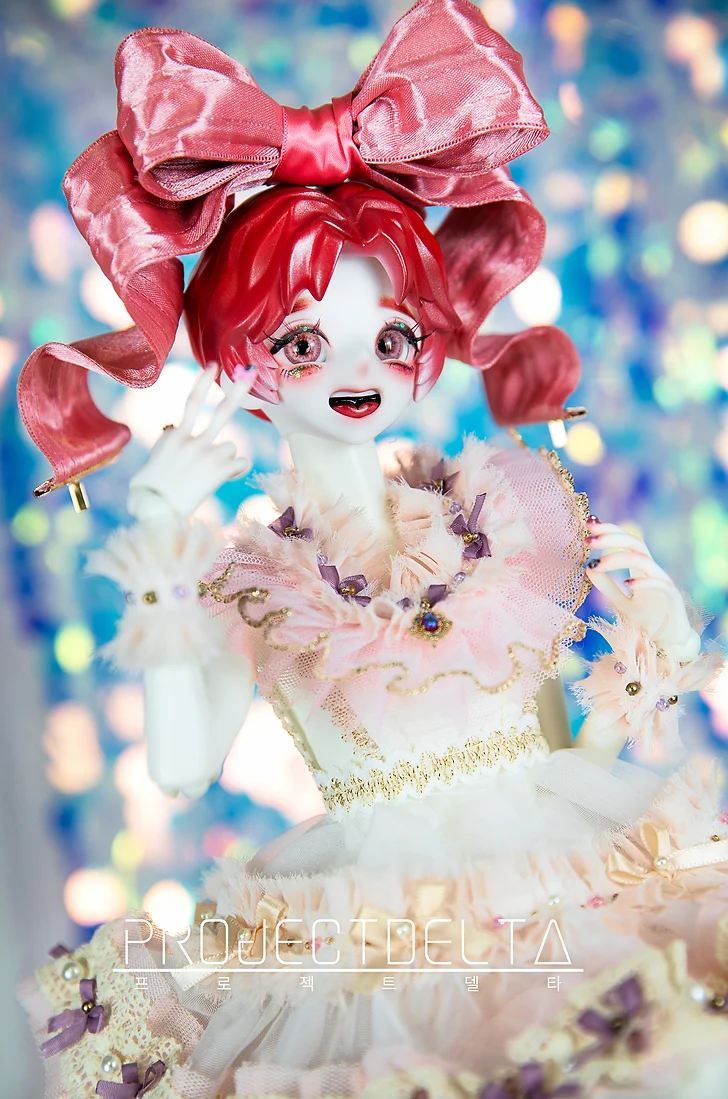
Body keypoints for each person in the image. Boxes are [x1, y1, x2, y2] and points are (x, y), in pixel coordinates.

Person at [16, 3, 728, 1097]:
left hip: (567, 878)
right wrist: (159, 537)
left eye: (392, 337)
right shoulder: (253, 583)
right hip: (375, 930)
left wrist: (651, 655)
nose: (357, 371)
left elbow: (562, 746)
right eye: (303, 343)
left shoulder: (499, 515)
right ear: (240, 362)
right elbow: (179, 766)